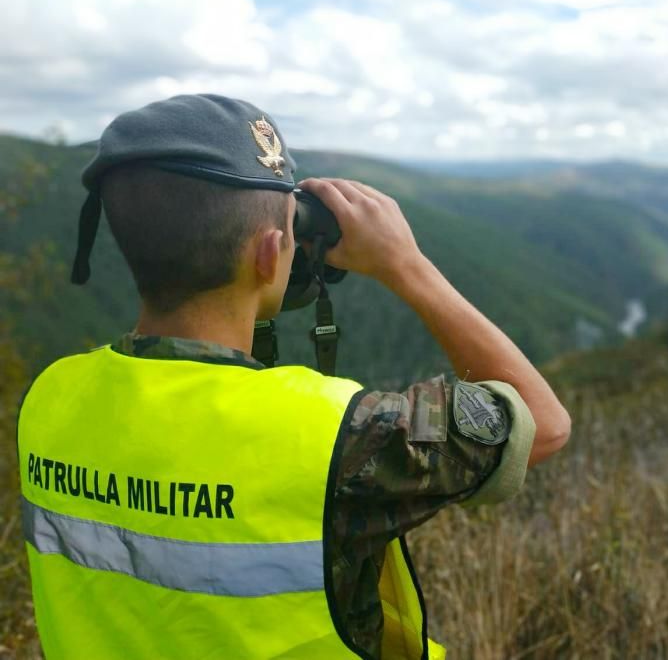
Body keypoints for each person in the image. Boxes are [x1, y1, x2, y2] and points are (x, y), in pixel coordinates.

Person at [18, 94, 571, 659]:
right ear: (270, 253)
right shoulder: (343, 433)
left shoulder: (50, 397)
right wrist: (406, 265)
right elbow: (544, 425)